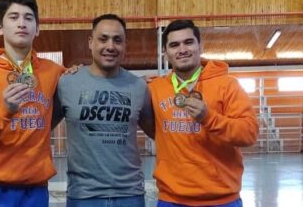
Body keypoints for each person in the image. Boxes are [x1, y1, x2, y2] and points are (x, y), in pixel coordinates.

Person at [0, 0, 65, 207]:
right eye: (13, 17)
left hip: (35, 189)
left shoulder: (53, 72)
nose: (22, 23)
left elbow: (80, 80)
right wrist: (4, 111)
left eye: (29, 18)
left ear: (37, 29)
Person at [148, 20, 259, 207]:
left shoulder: (227, 85)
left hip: (222, 199)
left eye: (188, 42)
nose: (182, 49)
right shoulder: (154, 89)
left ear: (200, 46)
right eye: (174, 45)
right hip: (172, 199)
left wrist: (208, 117)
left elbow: (249, 133)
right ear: (165, 53)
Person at [51, 14, 155, 207]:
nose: (110, 46)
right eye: (103, 38)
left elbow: (160, 133)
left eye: (117, 40)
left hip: (129, 195)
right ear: (90, 42)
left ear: (125, 45)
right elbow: (41, 129)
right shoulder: (67, 83)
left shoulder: (139, 87)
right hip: (83, 197)